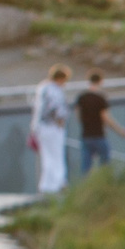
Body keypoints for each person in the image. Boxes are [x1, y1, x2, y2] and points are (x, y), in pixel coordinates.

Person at [31, 66, 70, 195]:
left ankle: (46, 185)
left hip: (41, 127)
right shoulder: (54, 90)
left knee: (47, 156)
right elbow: (56, 108)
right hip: (52, 126)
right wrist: (60, 122)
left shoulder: (42, 87)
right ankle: (58, 183)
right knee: (57, 155)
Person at [75, 71, 112, 178]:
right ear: (100, 81)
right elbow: (105, 118)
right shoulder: (101, 98)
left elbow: (78, 115)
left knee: (86, 167)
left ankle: (86, 189)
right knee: (105, 164)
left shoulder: (81, 97)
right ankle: (104, 184)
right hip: (99, 134)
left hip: (86, 135)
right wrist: (120, 131)